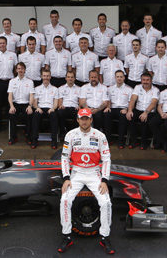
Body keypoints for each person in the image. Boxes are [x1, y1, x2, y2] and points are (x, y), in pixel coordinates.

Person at [57, 108, 114, 255]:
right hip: (76, 172)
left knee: (106, 202)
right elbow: (64, 158)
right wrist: (66, 178)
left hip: (94, 173)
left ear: (91, 119)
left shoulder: (100, 136)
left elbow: (106, 159)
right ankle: (66, 236)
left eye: (87, 118)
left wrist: (104, 180)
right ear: (77, 119)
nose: (84, 121)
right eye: (82, 118)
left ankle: (105, 237)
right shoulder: (70, 135)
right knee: (64, 200)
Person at [126, 72, 159, 149]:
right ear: (141, 81)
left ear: (151, 81)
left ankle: (143, 143)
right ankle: (133, 141)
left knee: (144, 120)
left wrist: (146, 113)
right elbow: (132, 99)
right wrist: (130, 110)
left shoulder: (155, 90)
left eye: (147, 80)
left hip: (149, 111)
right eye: (143, 80)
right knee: (130, 117)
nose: (145, 82)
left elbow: (153, 103)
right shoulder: (137, 87)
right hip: (138, 109)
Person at [0, 37, 17, 132]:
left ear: (6, 43)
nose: (2, 45)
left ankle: (10, 127)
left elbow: (15, 68)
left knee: (10, 105)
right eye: (0, 43)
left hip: (10, 82)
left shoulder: (13, 55)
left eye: (3, 43)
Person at [103, 70, 133, 148]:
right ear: (115, 78)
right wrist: (108, 107)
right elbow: (108, 100)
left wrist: (127, 109)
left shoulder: (129, 89)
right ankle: (108, 140)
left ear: (124, 78)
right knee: (106, 115)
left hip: (123, 109)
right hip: (112, 108)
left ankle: (120, 142)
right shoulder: (110, 88)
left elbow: (131, 102)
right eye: (117, 77)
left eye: (121, 77)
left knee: (123, 117)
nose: (119, 78)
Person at [30, 69, 59, 149]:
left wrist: (53, 108)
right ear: (42, 77)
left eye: (47, 76)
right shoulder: (37, 88)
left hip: (50, 109)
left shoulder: (55, 89)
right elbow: (35, 102)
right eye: (44, 76)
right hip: (40, 108)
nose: (46, 77)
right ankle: (34, 140)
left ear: (50, 77)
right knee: (35, 115)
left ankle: (54, 141)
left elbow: (56, 103)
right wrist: (37, 108)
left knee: (54, 116)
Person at [7, 62, 34, 144]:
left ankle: (29, 137)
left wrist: (30, 106)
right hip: (15, 104)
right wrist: (11, 106)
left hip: (26, 104)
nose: (20, 70)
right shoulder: (12, 81)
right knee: (12, 114)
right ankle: (13, 137)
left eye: (22, 68)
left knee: (30, 115)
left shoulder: (30, 82)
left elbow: (31, 96)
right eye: (18, 68)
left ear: (25, 70)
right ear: (16, 70)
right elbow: (10, 95)